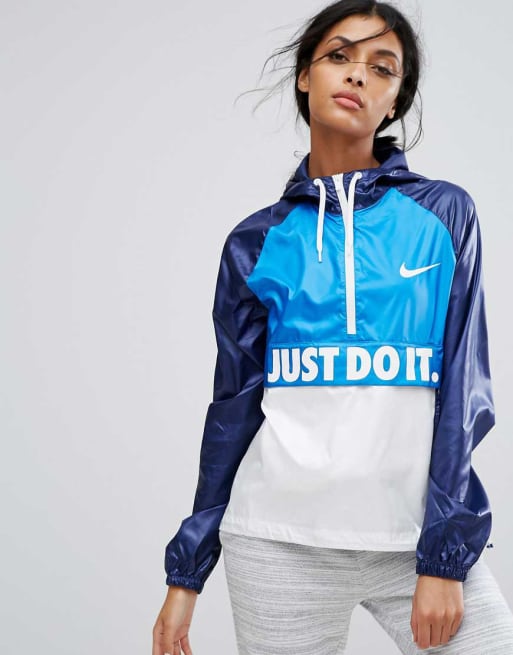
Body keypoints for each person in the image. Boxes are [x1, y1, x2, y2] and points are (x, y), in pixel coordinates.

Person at [152, 1, 513, 653]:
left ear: (396, 99)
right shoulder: (254, 241)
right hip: (276, 541)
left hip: (412, 539)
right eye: (339, 55)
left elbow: (464, 391)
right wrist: (187, 572)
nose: (356, 74)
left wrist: (443, 555)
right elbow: (233, 410)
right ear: (304, 75)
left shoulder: (443, 214)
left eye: (382, 67)